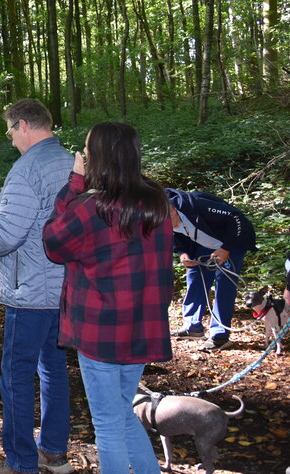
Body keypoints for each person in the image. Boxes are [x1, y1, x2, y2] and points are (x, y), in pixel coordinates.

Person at [44, 121, 174, 474]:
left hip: (100, 329)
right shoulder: (157, 202)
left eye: (88, 149)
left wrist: (74, 182)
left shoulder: (90, 207)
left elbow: (53, 243)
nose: (84, 154)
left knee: (107, 423)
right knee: (120, 413)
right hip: (140, 327)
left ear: (98, 156)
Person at [0, 99, 74, 474]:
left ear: (23, 125)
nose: (10, 140)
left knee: (17, 375)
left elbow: (6, 237)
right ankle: (53, 451)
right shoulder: (74, 163)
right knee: (54, 368)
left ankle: (21, 462)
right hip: (66, 286)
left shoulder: (27, 170)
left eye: (10, 131)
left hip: (31, 291)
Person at [167, 188, 257, 350]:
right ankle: (192, 326)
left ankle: (219, 334)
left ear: (172, 210)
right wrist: (183, 253)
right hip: (205, 243)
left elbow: (236, 218)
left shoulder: (197, 206)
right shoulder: (163, 217)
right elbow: (177, 233)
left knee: (224, 283)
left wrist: (226, 249)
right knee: (195, 275)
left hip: (231, 241)